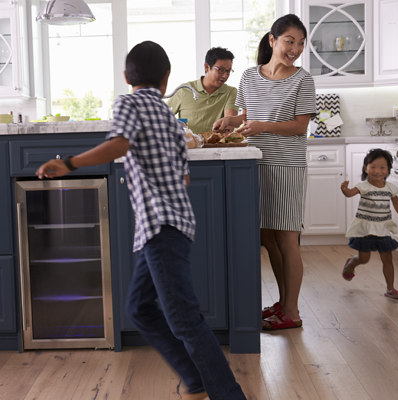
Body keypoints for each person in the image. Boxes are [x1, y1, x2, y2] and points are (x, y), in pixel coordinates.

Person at [36, 41, 247, 400]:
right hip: (173, 225)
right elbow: (184, 177)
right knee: (139, 308)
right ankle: (194, 378)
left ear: (125, 77)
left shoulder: (128, 102)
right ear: (166, 80)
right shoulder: (168, 116)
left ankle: (230, 394)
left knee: (183, 318)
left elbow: (119, 145)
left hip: (159, 226)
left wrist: (69, 163)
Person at [213, 14, 316, 330]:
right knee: (268, 237)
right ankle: (284, 304)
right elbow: (247, 116)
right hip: (255, 162)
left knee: (287, 238)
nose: (295, 49)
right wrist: (231, 122)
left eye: (300, 43)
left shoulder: (303, 79)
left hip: (287, 165)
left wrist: (262, 126)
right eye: (289, 41)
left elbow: (300, 126)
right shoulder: (248, 76)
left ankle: (293, 313)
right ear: (272, 40)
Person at [341, 148, 398, 299]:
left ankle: (391, 289)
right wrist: (345, 189)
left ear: (388, 169)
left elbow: (397, 206)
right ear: (366, 167)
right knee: (364, 259)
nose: (377, 171)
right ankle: (351, 265)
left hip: (383, 228)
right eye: (372, 166)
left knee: (387, 259)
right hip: (365, 230)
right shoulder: (363, 186)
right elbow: (349, 194)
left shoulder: (391, 188)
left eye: (382, 167)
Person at [167, 46, 238, 135]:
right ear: (207, 67)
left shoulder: (230, 92)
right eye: (221, 70)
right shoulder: (184, 90)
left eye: (228, 71)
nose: (225, 76)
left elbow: (230, 120)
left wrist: (226, 131)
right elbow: (163, 118)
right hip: (190, 147)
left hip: (217, 146)